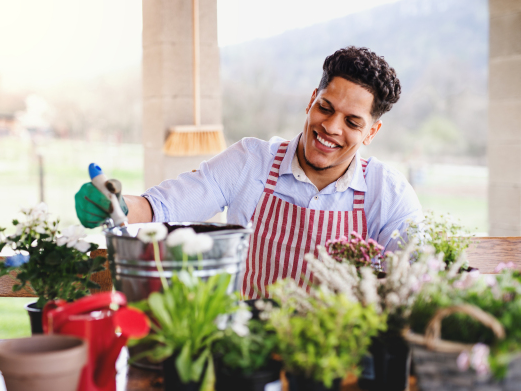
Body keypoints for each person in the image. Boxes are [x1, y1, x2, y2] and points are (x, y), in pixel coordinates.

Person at [75, 46, 422, 299]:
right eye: (326, 108)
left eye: (352, 122)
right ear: (311, 99)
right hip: (248, 352)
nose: (330, 127)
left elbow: (413, 279)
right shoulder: (250, 162)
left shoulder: (388, 193)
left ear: (371, 133)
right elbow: (162, 208)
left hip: (336, 357)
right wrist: (117, 204)